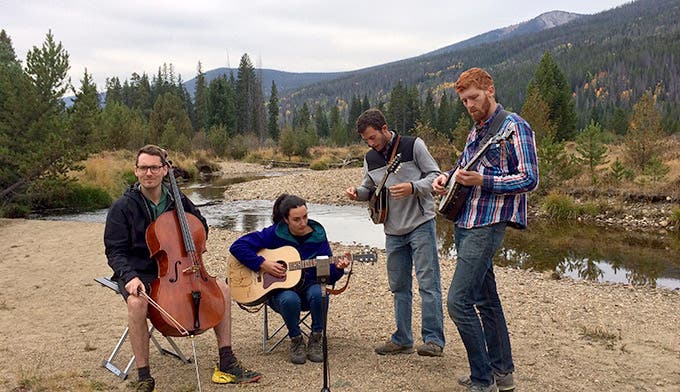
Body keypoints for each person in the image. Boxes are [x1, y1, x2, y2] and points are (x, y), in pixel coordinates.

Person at [104, 144, 261, 392]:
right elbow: (115, 250)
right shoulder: (123, 207)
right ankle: (144, 375)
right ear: (136, 171)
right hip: (141, 271)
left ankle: (227, 361)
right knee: (136, 302)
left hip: (181, 267)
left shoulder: (177, 199)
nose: (149, 173)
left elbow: (202, 225)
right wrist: (129, 276)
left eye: (154, 168)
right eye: (143, 168)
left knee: (222, 289)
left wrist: (190, 236)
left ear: (165, 170)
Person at [433, 67, 539, 392]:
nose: (470, 105)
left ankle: (483, 379)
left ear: (490, 89)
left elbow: (529, 178)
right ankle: (502, 375)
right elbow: (466, 165)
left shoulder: (515, 126)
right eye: (464, 101)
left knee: (457, 302)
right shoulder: (477, 130)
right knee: (485, 300)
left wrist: (484, 181)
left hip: (488, 223)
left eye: (474, 98)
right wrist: (446, 177)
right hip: (466, 220)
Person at [345, 108, 446, 358]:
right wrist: (356, 193)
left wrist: (413, 187)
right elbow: (369, 189)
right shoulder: (371, 158)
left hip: (421, 224)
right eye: (366, 140)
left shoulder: (413, 146)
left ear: (384, 128)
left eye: (373, 138)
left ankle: (433, 341)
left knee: (428, 284)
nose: (370, 143)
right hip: (392, 230)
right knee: (399, 286)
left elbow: (436, 177)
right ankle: (402, 339)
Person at [229, 194, 350, 365]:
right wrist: (263, 264)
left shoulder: (318, 235)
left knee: (319, 292)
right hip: (279, 294)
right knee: (289, 298)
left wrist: (337, 269)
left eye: (305, 217)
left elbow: (326, 276)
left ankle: (316, 338)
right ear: (286, 219)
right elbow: (237, 247)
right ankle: (296, 340)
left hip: (309, 289)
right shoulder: (274, 234)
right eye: (297, 219)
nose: (303, 223)